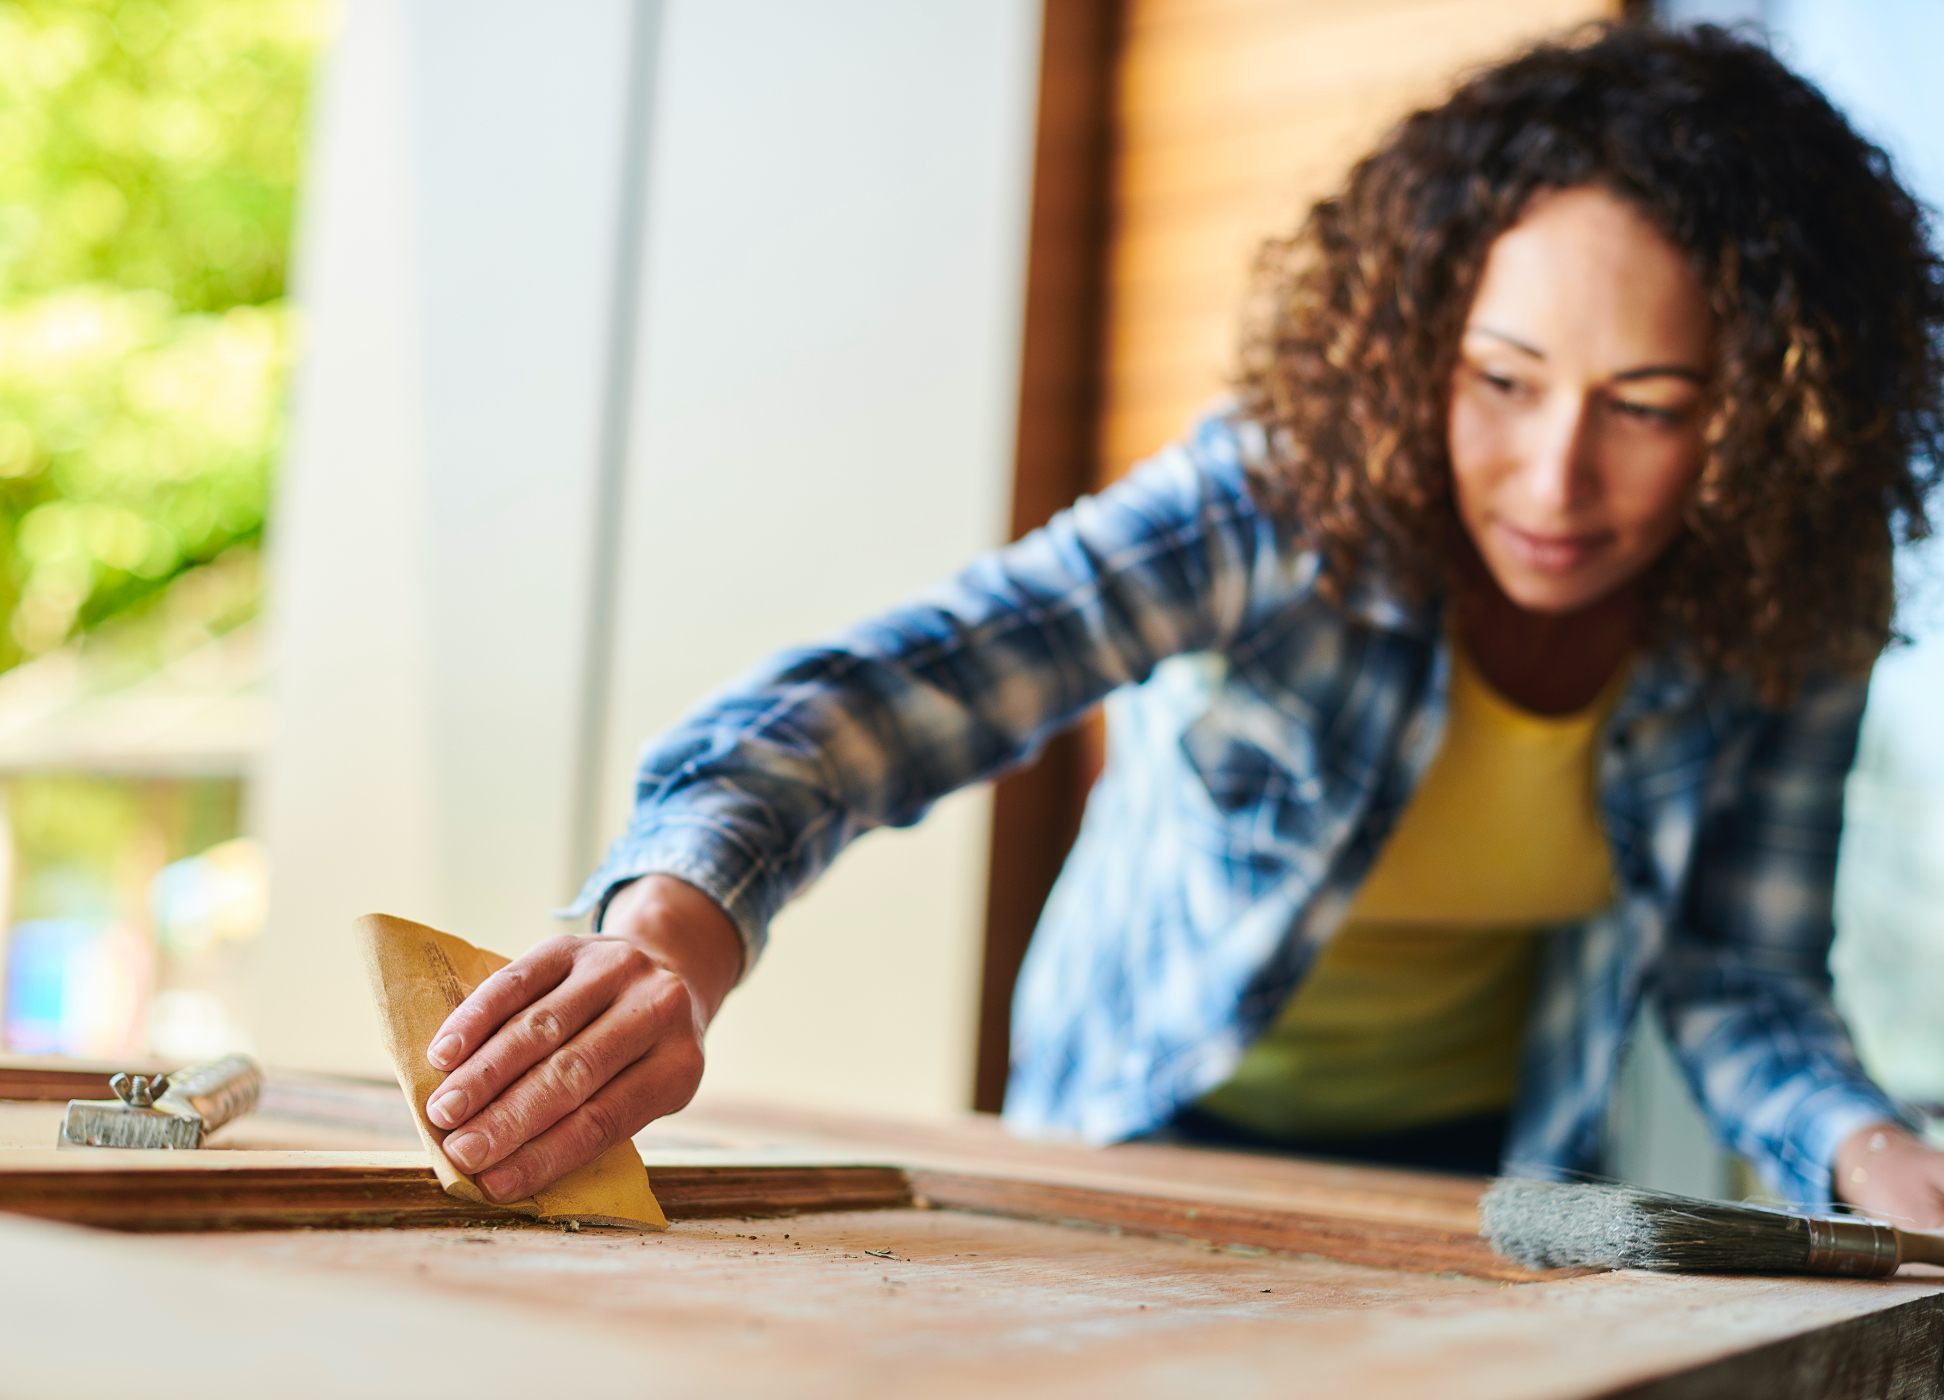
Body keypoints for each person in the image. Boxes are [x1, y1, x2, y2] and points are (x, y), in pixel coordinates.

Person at [413, 22, 1944, 1219]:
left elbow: (1738, 974)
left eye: (1652, 409)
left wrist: (1877, 1156)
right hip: (1128, 1147)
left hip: (1488, 1174)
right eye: (1501, 380)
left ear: (1771, 428)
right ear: (1420, 344)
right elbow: (873, 706)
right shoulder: (1282, 501)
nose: (1555, 477)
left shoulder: (1792, 598)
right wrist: (671, 941)